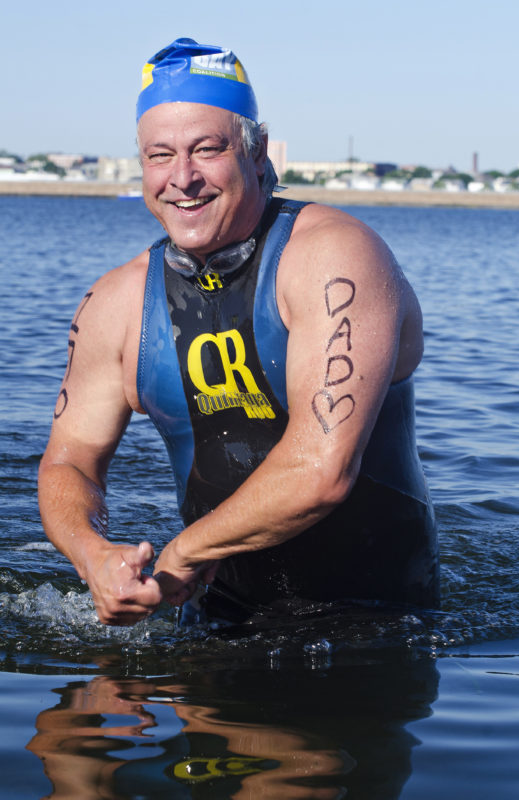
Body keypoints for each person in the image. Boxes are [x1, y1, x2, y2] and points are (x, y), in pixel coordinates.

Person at [38, 37, 439, 627]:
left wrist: (185, 551)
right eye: (159, 156)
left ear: (256, 156)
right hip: (215, 613)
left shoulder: (335, 259)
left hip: (378, 619)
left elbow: (321, 471)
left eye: (206, 149)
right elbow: (68, 463)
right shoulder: (117, 303)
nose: (183, 178)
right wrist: (93, 555)